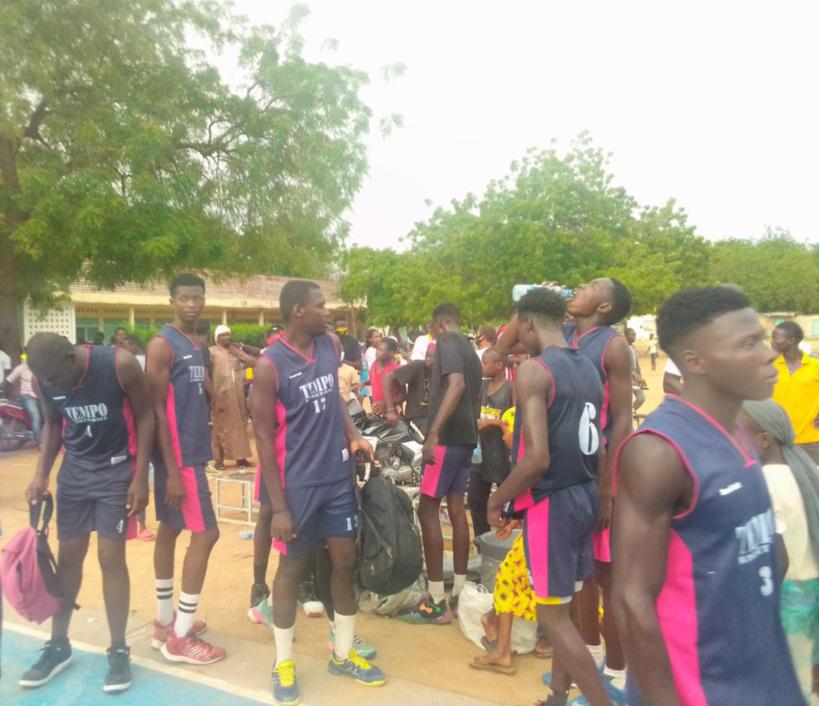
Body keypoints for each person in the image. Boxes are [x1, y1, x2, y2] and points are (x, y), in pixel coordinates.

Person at [612, 286, 804, 706]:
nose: (769, 355)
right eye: (748, 344)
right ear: (696, 361)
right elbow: (630, 599)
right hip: (701, 686)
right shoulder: (659, 451)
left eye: (762, 340)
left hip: (763, 675)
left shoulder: (740, 432)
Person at [250, 279, 384, 705]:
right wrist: (278, 507)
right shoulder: (270, 365)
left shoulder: (328, 345)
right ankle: (283, 661)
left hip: (336, 479)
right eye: (320, 305)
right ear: (297, 312)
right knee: (292, 568)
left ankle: (342, 654)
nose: (327, 311)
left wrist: (354, 435)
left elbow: (334, 400)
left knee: (344, 561)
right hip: (298, 485)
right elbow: (263, 439)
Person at [487, 288, 611, 706]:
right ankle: (558, 695)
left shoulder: (535, 371)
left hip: (553, 503)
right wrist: (604, 499)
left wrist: (498, 499)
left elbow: (537, 458)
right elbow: (602, 447)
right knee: (568, 607)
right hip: (586, 494)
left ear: (526, 324)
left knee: (553, 615)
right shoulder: (588, 368)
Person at [21, 332, 154, 693]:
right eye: (45, 379)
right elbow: (52, 424)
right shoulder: (44, 380)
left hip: (115, 472)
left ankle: (119, 650)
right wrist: (41, 475)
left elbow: (146, 417)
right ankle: (58, 645)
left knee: (111, 558)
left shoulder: (118, 364)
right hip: (75, 475)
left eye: (55, 377)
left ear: (71, 357)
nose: (52, 384)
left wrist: (140, 478)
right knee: (68, 561)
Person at [558, 277, 633, 694]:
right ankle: (589, 663)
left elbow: (621, 420)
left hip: (600, 472)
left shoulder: (613, 346)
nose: (579, 287)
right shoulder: (565, 334)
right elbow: (507, 343)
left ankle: (618, 673)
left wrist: (608, 490)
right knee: (580, 575)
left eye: (591, 286)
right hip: (569, 472)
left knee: (607, 577)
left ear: (604, 306)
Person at [146, 273, 225, 665]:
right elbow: (156, 409)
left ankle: (165, 621)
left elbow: (191, 390)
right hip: (180, 458)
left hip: (190, 452)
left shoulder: (196, 343)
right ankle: (180, 638)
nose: (192, 304)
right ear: (172, 301)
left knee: (170, 528)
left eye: (197, 298)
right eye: (184, 298)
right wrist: (174, 469)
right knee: (207, 534)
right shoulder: (162, 345)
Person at [399, 303, 482, 624]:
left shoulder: (447, 342)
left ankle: (435, 601)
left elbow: (456, 385)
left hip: (446, 439)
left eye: (431, 327)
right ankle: (459, 591)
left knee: (428, 509)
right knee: (457, 509)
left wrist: (433, 433)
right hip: (466, 438)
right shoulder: (471, 349)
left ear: (439, 323)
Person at [741, 399, 819, 704]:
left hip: (788, 597)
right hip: (811, 592)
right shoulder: (807, 473)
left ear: (765, 440)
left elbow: (778, 556)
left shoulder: (764, 483)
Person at [470, 519, 551, 675]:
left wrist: (511, 518)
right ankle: (500, 642)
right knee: (511, 578)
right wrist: (514, 522)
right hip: (541, 527)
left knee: (512, 578)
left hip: (544, 527)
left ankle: (501, 648)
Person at [469, 349, 514, 538]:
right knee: (475, 498)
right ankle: (481, 538)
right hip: (482, 453)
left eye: (485, 362)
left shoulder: (511, 388)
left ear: (499, 365)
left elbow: (515, 418)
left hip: (502, 453)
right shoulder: (483, 386)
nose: (482, 366)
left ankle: (504, 538)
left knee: (506, 500)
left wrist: (491, 423)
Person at [771, 320, 819, 464]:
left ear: (791, 340)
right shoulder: (770, 365)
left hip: (810, 440)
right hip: (777, 440)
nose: (772, 341)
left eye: (777, 337)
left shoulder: (815, 365)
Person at [209, 324, 255, 470]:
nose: (226, 337)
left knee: (240, 426)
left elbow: (252, 363)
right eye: (222, 335)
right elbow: (207, 374)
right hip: (220, 396)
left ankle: (241, 458)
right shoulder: (211, 351)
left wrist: (237, 352)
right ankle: (218, 460)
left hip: (238, 396)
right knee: (221, 428)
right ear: (217, 337)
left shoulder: (235, 351)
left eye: (228, 334)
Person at [122, 335, 154, 541]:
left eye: (127, 346)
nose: (125, 350)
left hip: (138, 422)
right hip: (129, 424)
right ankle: (135, 523)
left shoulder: (139, 363)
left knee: (139, 475)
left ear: (134, 346)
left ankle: (140, 524)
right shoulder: (121, 367)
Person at [383, 342, 435, 434]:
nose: (428, 359)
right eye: (427, 355)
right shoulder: (418, 366)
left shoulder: (442, 372)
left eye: (432, 357)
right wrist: (390, 410)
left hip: (432, 417)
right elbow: (387, 378)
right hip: (416, 418)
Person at [5, 353, 43, 449]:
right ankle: (40, 444)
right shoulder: (21, 368)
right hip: (27, 397)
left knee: (48, 418)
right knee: (36, 418)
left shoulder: (39, 368)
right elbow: (8, 380)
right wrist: (4, 392)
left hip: (40, 397)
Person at [369, 337, 402, 415]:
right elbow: (375, 381)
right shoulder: (374, 365)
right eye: (377, 349)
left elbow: (403, 396)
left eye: (381, 350)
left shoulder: (396, 370)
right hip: (377, 414)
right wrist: (363, 383)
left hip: (391, 414)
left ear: (391, 354)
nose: (377, 352)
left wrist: (385, 403)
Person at [625, 327, 646, 412]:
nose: (634, 337)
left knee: (641, 398)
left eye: (635, 335)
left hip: (635, 379)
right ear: (626, 336)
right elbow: (623, 366)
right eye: (632, 335)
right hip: (625, 378)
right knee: (627, 400)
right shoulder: (622, 348)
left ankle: (631, 412)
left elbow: (637, 365)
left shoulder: (633, 348)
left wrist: (640, 378)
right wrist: (635, 375)